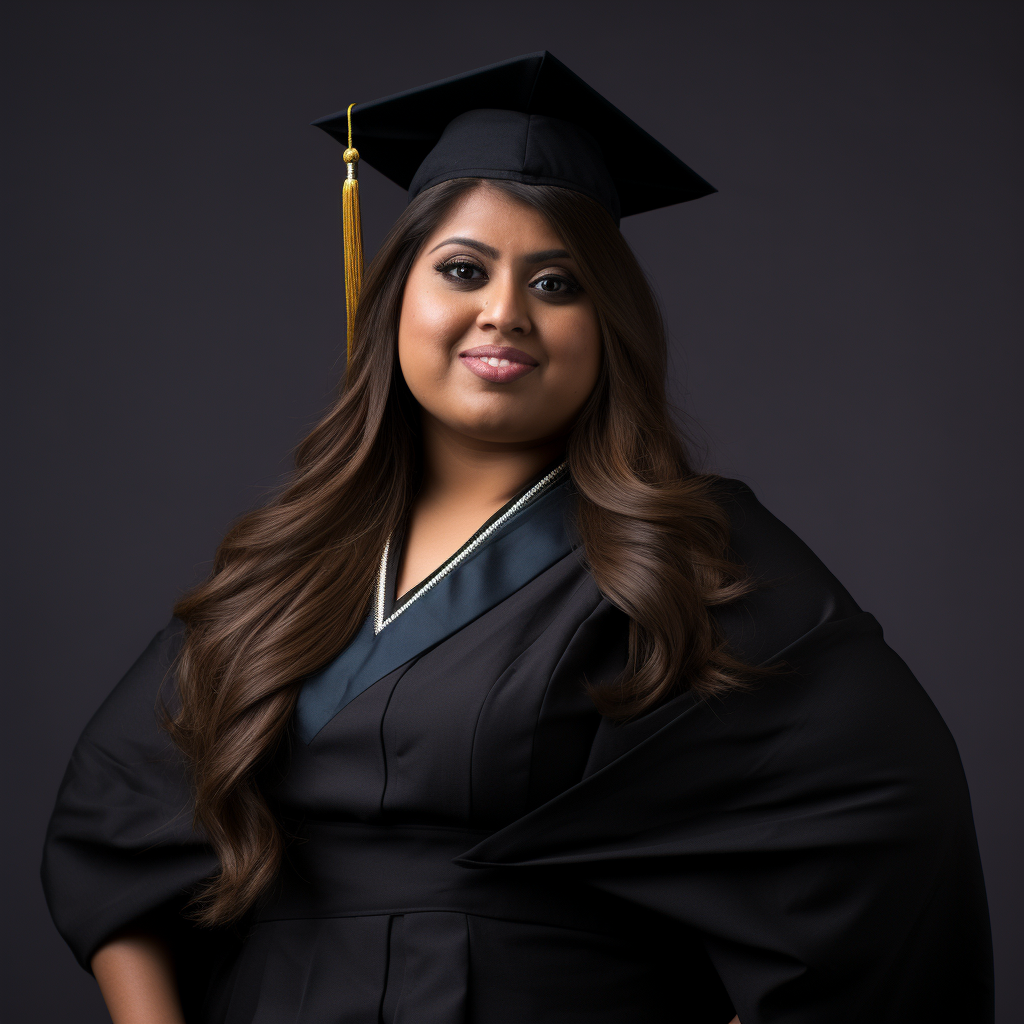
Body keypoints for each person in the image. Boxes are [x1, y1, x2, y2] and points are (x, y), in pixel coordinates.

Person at [42, 52, 993, 1024]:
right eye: (462, 269)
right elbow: (113, 826)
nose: (504, 310)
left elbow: (882, 835)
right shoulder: (286, 563)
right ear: (393, 299)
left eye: (555, 281)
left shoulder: (688, 551)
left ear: (606, 326)